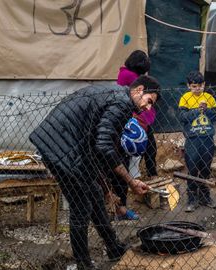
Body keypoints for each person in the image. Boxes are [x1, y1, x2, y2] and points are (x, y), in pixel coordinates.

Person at [29, 75, 160, 269]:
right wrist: (131, 182)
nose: (148, 108)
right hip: (61, 148)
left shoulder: (118, 95)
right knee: (81, 207)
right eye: (149, 101)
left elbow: (97, 143)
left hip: (69, 146)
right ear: (139, 90)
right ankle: (83, 264)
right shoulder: (122, 103)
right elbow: (104, 145)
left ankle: (113, 247)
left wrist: (105, 185)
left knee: (95, 194)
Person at [115, 50, 158, 220]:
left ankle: (121, 206)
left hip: (133, 122)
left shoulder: (123, 73)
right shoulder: (131, 78)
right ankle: (122, 206)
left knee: (143, 150)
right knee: (142, 151)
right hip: (135, 123)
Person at [178, 71, 216, 212]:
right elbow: (183, 117)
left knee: (206, 168)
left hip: (207, 138)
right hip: (192, 139)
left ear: (204, 85)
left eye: (200, 86)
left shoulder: (209, 97)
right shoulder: (185, 98)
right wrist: (197, 110)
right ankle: (192, 198)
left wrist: (206, 110)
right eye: (194, 86)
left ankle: (205, 196)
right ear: (189, 86)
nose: (197, 89)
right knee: (193, 168)